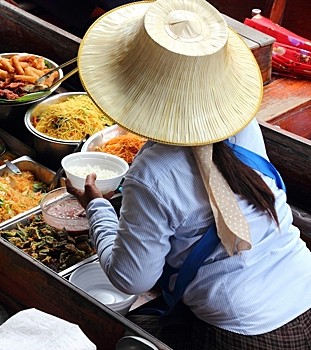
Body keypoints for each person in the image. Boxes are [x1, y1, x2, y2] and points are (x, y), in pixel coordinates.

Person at [65, 0, 311, 349]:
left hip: (245, 331)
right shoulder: (242, 126)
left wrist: (97, 209)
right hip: (304, 286)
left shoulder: (151, 173)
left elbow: (131, 279)